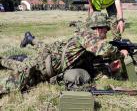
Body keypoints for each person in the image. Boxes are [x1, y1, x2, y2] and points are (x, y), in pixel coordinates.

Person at [0, 12, 129, 95]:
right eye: (105, 30)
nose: (106, 33)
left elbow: (90, 68)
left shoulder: (88, 44)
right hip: (40, 65)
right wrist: (120, 54)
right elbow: (105, 49)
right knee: (10, 85)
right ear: (98, 28)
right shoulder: (86, 37)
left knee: (24, 76)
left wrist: (109, 69)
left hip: (47, 71)